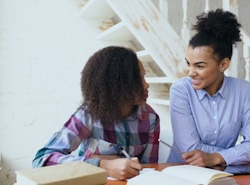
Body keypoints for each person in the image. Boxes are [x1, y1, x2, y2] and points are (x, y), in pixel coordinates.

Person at [32, 46, 160, 180]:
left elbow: (149, 169)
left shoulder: (151, 119)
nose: (146, 85)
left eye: (144, 77)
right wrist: (102, 165)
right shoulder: (88, 114)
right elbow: (42, 159)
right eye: (138, 79)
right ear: (117, 84)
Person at [167, 9, 250, 167]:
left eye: (199, 66)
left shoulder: (243, 90)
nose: (190, 72)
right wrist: (236, 154)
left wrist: (216, 157)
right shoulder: (181, 91)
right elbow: (190, 149)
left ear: (223, 64)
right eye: (188, 63)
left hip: (223, 173)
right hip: (183, 172)